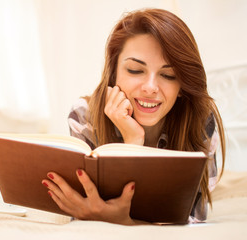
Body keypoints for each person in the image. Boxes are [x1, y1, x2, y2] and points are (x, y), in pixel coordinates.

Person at [41, 8, 226, 225]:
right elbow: (80, 207)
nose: (150, 87)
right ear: (113, 72)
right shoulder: (84, 116)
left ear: (182, 85)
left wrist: (127, 221)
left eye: (168, 75)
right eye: (135, 70)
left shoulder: (201, 119)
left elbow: (194, 216)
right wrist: (132, 143)